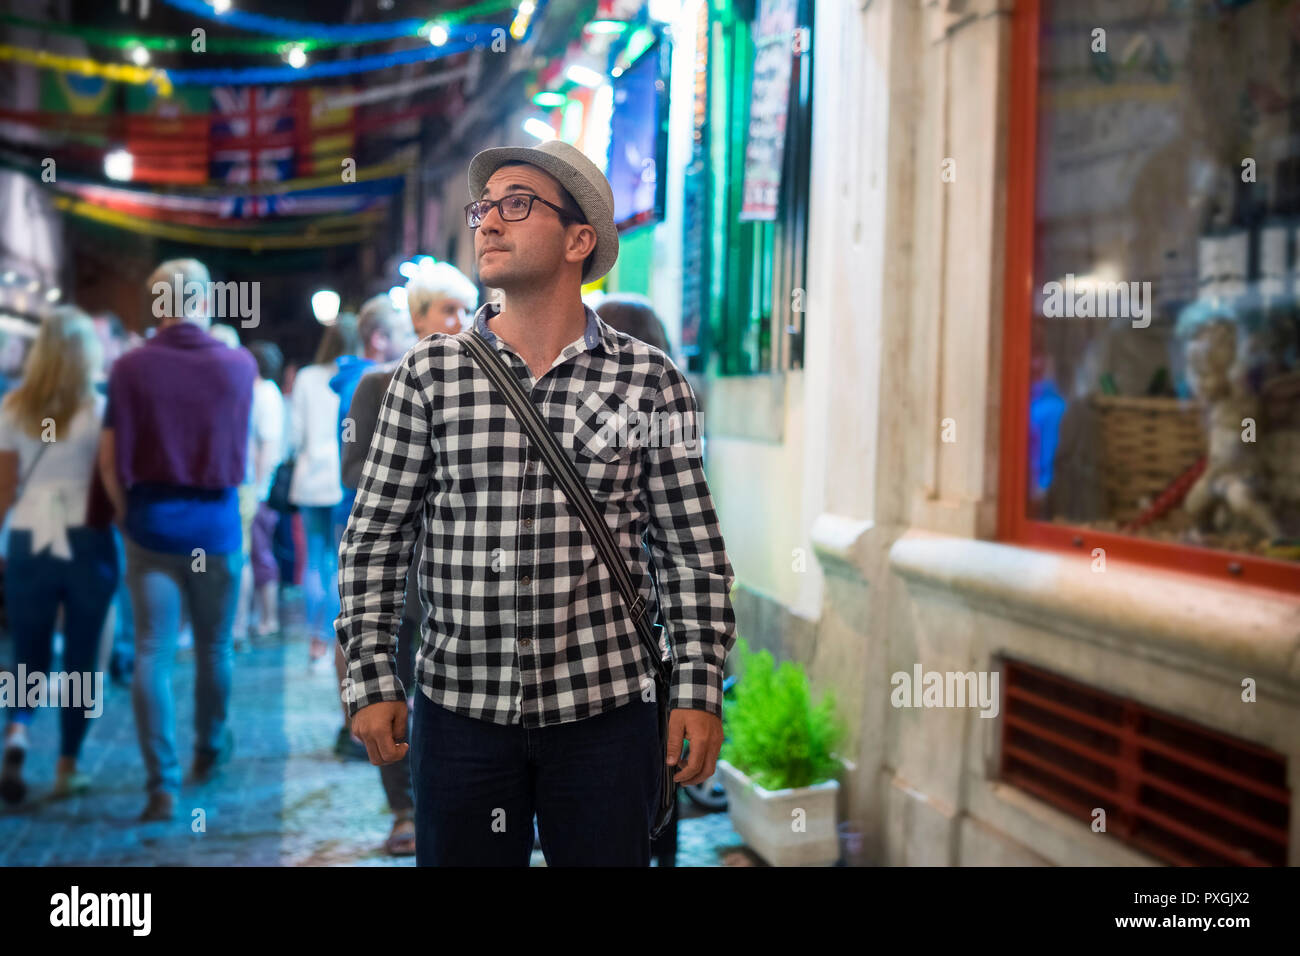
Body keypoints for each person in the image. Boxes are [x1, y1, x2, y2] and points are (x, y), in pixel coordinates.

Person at [337, 140, 738, 866]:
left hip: (608, 718)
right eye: (483, 207)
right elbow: (375, 537)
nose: (488, 222)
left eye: (516, 205)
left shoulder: (652, 383)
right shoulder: (430, 376)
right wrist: (371, 675)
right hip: (462, 715)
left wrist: (699, 688)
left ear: (579, 240)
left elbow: (692, 553)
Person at [98, 258, 257, 822]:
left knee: (151, 650)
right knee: (214, 648)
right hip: (214, 528)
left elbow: (110, 458)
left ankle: (161, 784)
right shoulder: (239, 365)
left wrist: (126, 513)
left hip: (151, 523)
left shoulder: (128, 367)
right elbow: (249, 452)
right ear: (207, 302)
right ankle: (209, 751)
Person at [338, 263, 477, 855]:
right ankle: (404, 811)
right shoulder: (378, 385)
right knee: (393, 690)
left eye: (467, 310)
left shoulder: (487, 383)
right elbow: (354, 475)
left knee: (458, 703)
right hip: (401, 571)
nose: (460, 322)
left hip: (466, 576)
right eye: (447, 310)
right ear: (417, 318)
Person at [0, 307, 119, 805]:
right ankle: (67, 765)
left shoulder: (13, 408)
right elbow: (111, 480)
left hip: (30, 536)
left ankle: (17, 732)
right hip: (86, 538)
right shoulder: (97, 409)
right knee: (82, 659)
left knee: (26, 650)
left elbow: (4, 489)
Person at [324, 295, 415, 759]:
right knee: (362, 624)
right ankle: (359, 726)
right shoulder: (370, 382)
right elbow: (353, 466)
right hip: (374, 529)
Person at [289, 315, 357, 671]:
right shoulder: (355, 376)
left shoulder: (305, 377)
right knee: (337, 561)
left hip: (309, 478)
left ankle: (315, 638)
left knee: (313, 558)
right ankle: (331, 637)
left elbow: (295, 434)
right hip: (340, 478)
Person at [236, 341, 286, 643]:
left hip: (258, 488)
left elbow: (266, 445)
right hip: (258, 486)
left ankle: (269, 618)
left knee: (260, 552)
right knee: (259, 552)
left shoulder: (263, 392)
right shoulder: (267, 391)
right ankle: (262, 617)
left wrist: (258, 488)